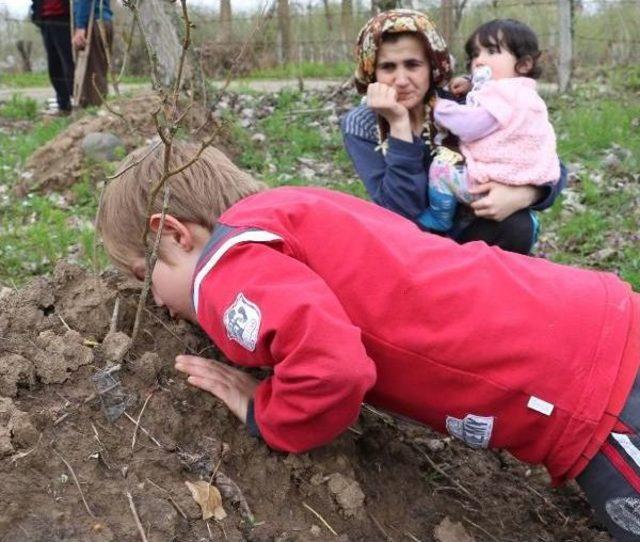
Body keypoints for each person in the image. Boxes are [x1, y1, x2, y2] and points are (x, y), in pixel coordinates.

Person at [97, 141, 640, 541]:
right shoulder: (286, 210)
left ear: (173, 232)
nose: (156, 299)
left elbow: (332, 368)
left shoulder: (223, 268)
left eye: (146, 276)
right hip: (591, 320)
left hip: (590, 397)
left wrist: (265, 410)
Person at [340, 9, 566, 255]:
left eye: (413, 65)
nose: (401, 79)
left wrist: (525, 194)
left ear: (432, 66)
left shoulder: (461, 106)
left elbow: (546, 161)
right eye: (387, 67)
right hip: (411, 247)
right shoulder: (361, 124)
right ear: (372, 73)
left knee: (517, 225)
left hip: (472, 232)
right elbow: (401, 212)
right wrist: (399, 126)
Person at [420, 19, 560, 233]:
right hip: (516, 178)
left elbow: (470, 124)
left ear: (524, 64)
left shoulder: (504, 95)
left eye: (491, 51)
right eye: (475, 54)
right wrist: (471, 83)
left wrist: (440, 107)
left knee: (442, 168)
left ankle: (440, 215)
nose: (479, 61)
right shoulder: (525, 93)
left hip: (488, 183)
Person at [31, 0, 74, 115]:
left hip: (64, 18)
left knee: (68, 62)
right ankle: (64, 105)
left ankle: (77, 99)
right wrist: (36, 15)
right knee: (54, 65)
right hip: (45, 20)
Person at [72, 0, 113, 107]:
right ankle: (98, 109)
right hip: (105, 19)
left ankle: (93, 111)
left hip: (92, 21)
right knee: (100, 69)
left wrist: (80, 25)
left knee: (92, 72)